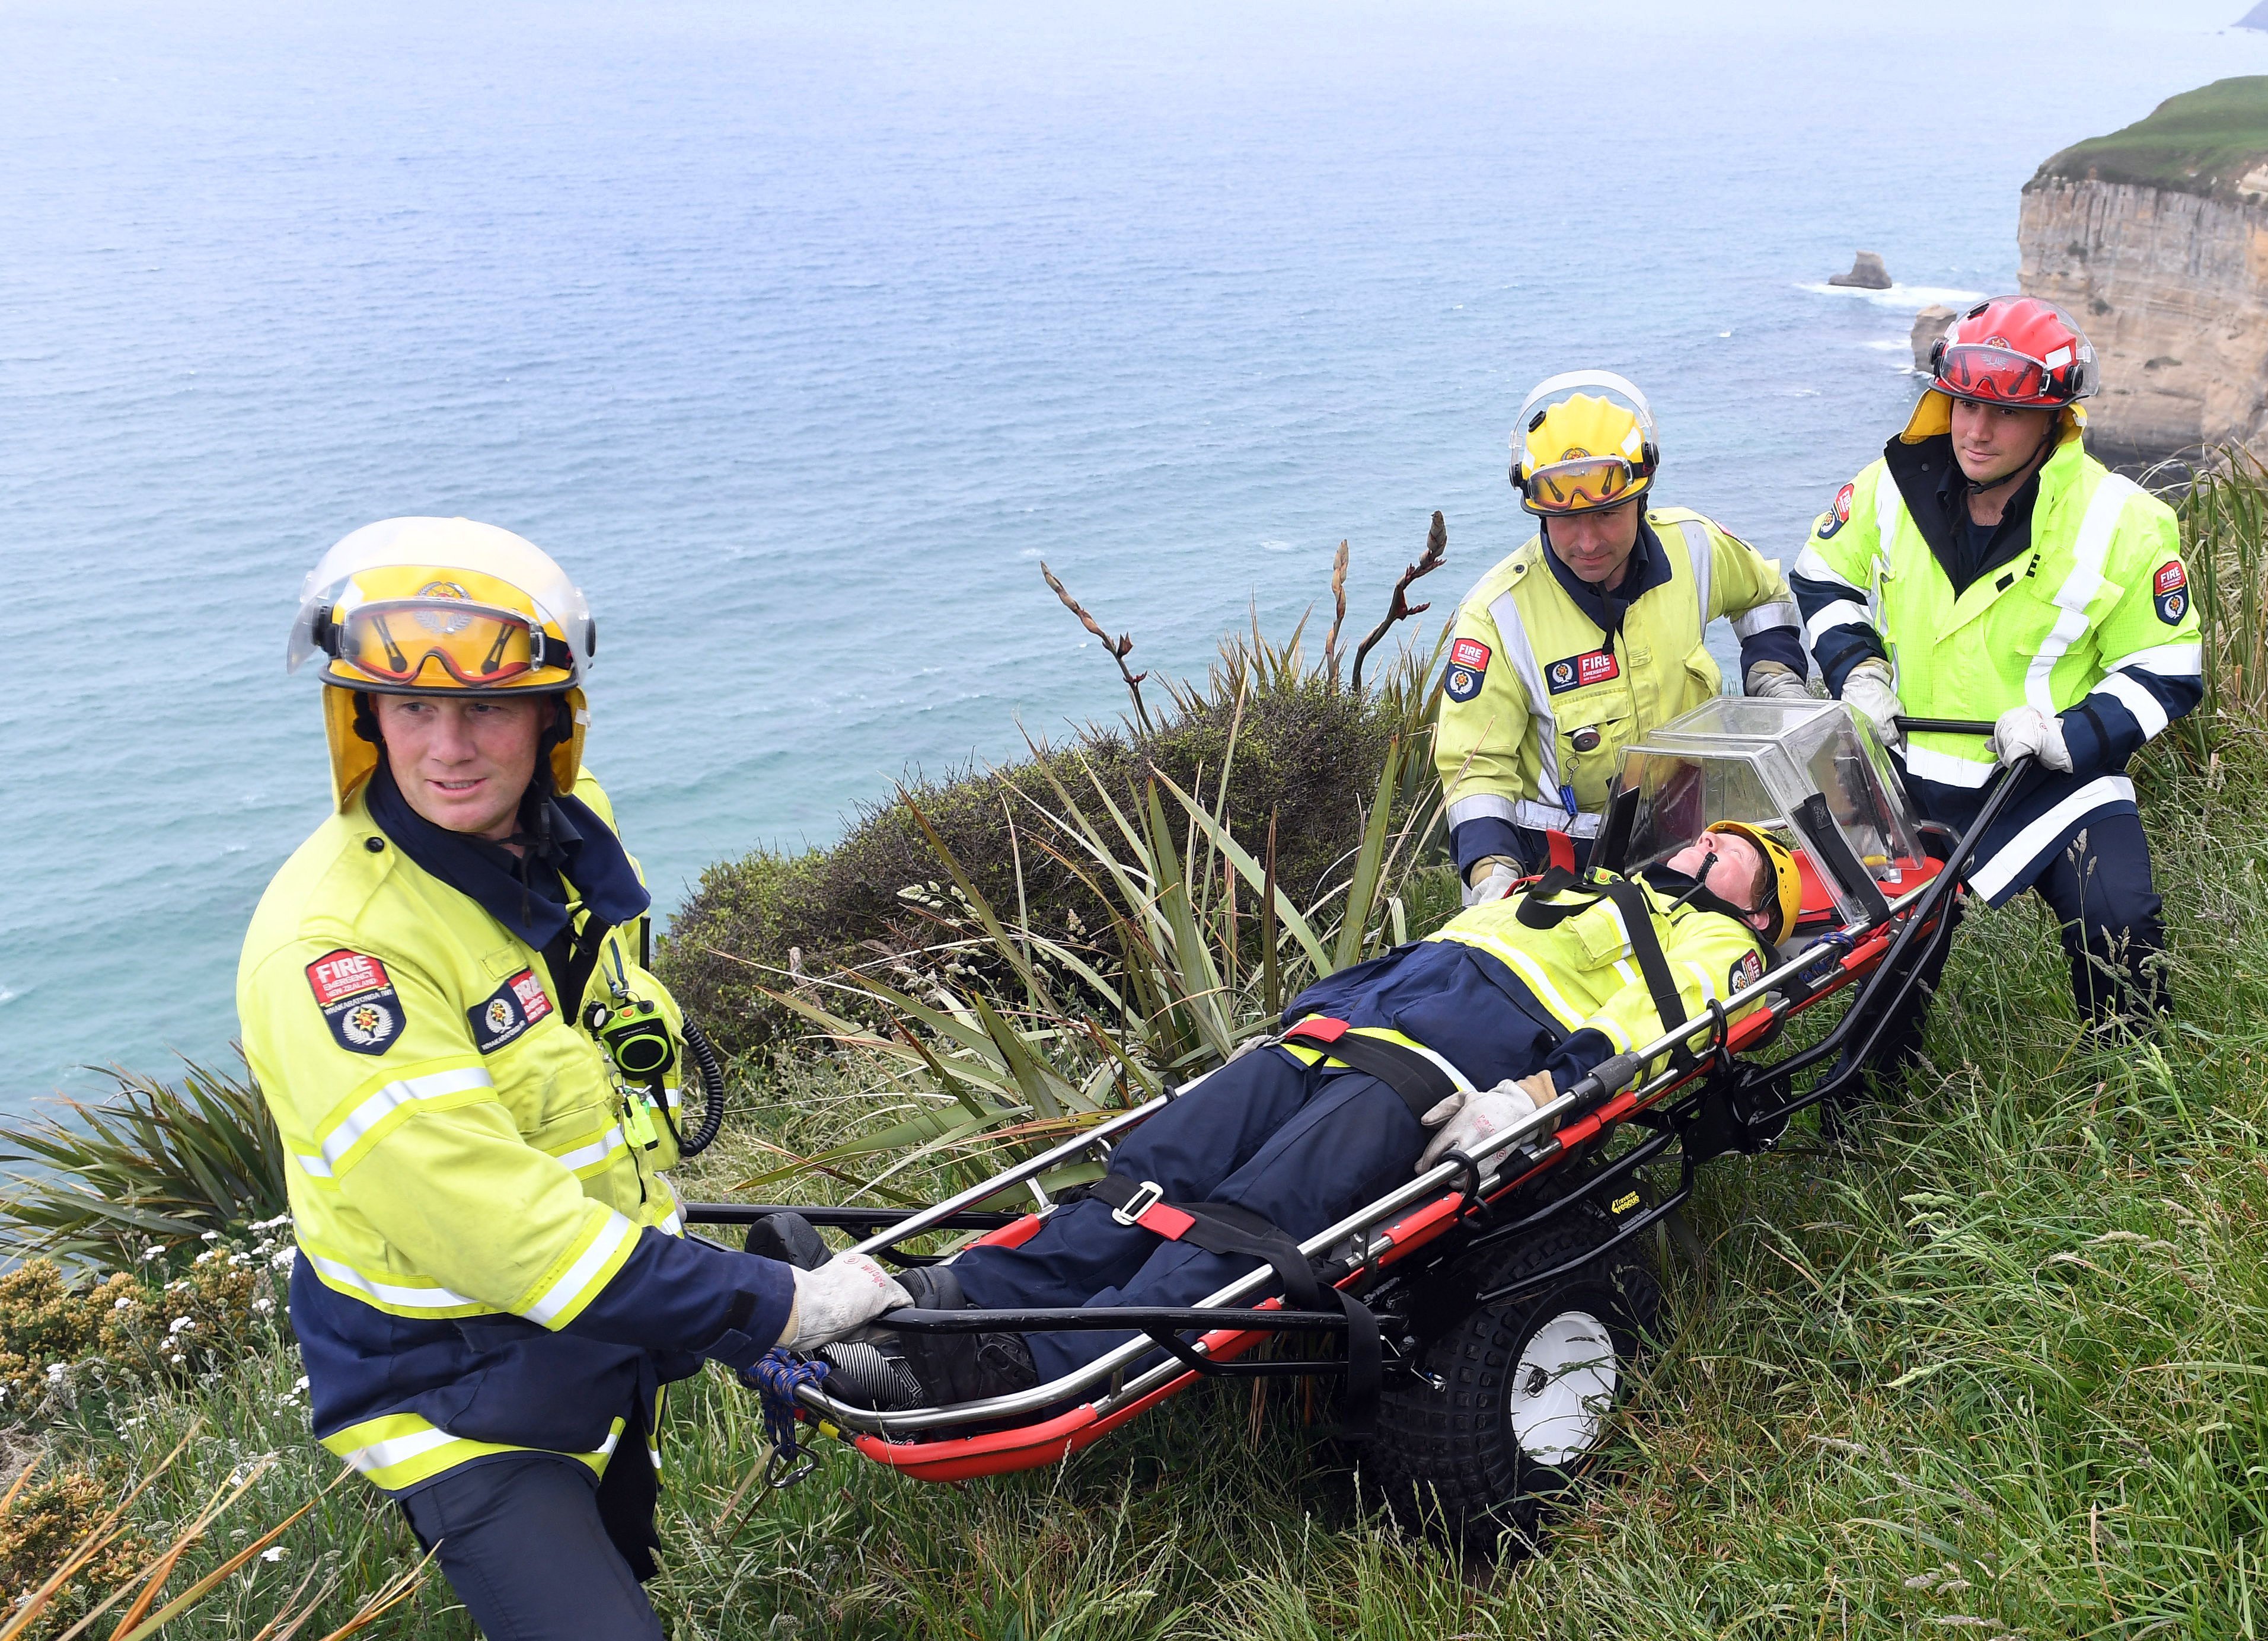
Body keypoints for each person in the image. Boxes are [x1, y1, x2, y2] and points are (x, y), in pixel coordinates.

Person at [237, 518, 910, 1641]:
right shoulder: (338, 955)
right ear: (363, 718)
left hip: (587, 1334)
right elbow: (491, 1226)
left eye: (485, 708)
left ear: (552, 719)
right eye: (412, 708)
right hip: (451, 1390)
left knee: (618, 1555)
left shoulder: (567, 843)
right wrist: (773, 1308)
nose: (448, 747)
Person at [800, 822, 1804, 1410]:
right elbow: (1436, 949)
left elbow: (1660, 1029)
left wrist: (1534, 1098)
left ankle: (1034, 1363)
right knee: (1147, 1173)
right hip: (1332, 1037)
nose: (1702, 838)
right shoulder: (1575, 886)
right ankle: (959, 1298)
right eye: (1706, 829)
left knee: (1251, 1215)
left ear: (1761, 910)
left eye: (1730, 852)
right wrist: (1304, 1016)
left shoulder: (1718, 944)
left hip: (1432, 1078)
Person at [1790, 296, 2203, 1052]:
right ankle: (1867, 1120)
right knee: (1887, 956)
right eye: (1964, 404)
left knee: (2121, 920)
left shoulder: (2124, 518)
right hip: (1906, 770)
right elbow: (1821, 576)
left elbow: (2169, 668)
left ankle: (2143, 1099)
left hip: (2051, 774)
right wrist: (1859, 673)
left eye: (2005, 414)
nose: (1976, 431)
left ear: (2055, 420)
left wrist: (2068, 733)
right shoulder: (1889, 485)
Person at [1437, 371, 1810, 907]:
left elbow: (1765, 594)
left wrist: (1776, 680)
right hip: (1560, 870)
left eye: (1608, 514)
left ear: (1643, 495)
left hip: (1687, 844)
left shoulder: (1695, 548)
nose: (1588, 542)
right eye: (1564, 520)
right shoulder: (1497, 616)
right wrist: (1492, 876)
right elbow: (1475, 771)